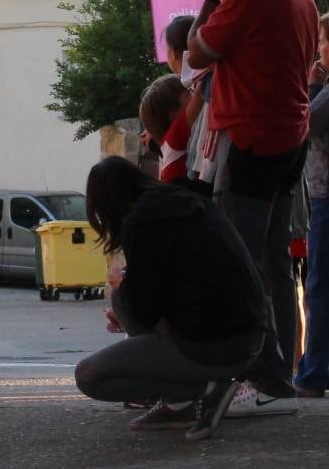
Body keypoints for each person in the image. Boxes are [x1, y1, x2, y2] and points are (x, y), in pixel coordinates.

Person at [187, 0, 318, 414]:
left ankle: (260, 375)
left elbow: (197, 54)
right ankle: (280, 373)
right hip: (291, 137)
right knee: (277, 263)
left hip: (251, 137)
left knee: (243, 262)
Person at [75, 157, 266, 441]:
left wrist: (126, 289)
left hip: (211, 347)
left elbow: (147, 311)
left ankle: (201, 392)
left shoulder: (140, 224)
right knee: (122, 298)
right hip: (251, 337)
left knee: (89, 376)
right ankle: (181, 402)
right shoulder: (190, 201)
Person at [293, 12, 329, 398]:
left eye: (320, 41)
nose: (317, 50)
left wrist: (313, 84)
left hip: (326, 199)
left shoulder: (326, 94)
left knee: (319, 288)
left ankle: (315, 372)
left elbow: (303, 123)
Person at [139, 74, 203, 183]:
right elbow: (201, 90)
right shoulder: (174, 137)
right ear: (173, 114)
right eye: (189, 93)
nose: (192, 93)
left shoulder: (168, 144)